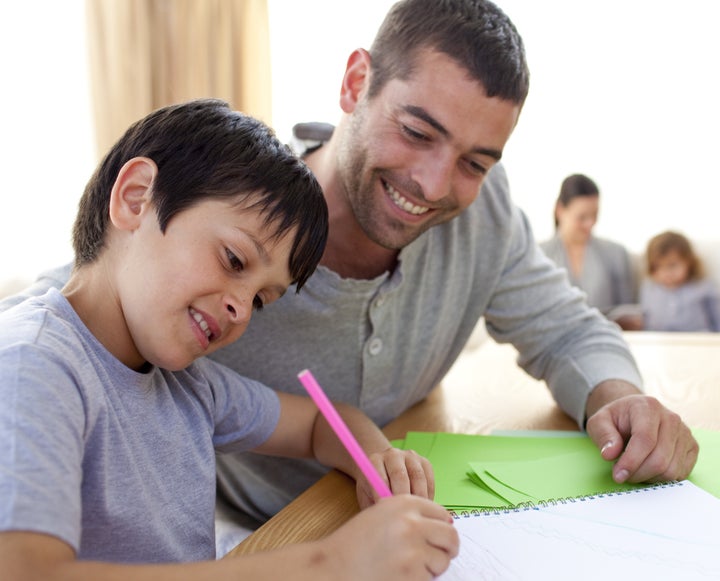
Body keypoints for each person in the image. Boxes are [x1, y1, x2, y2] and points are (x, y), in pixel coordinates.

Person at [1, 0, 698, 539]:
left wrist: (617, 397)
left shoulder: (485, 219)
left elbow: (567, 328)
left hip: (370, 516)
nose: (431, 181)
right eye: (418, 132)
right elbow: (82, 298)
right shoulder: (230, 219)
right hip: (253, 536)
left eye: (475, 162)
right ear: (356, 82)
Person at [0, 99, 459, 580]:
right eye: (234, 261)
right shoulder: (33, 367)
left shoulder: (191, 388)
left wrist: (376, 459)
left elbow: (326, 422)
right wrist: (331, 562)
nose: (242, 309)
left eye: (262, 299)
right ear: (136, 198)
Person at [540, 173, 642, 330]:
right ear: (560, 210)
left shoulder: (616, 253)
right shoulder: (538, 255)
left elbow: (628, 309)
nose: (590, 223)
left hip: (605, 340)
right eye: (582, 217)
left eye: (595, 215)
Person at [640, 230, 720, 332]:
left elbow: (717, 318)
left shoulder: (703, 286)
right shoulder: (649, 287)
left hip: (698, 341)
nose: (665, 273)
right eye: (657, 267)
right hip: (659, 341)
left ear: (689, 262)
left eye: (672, 265)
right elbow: (646, 318)